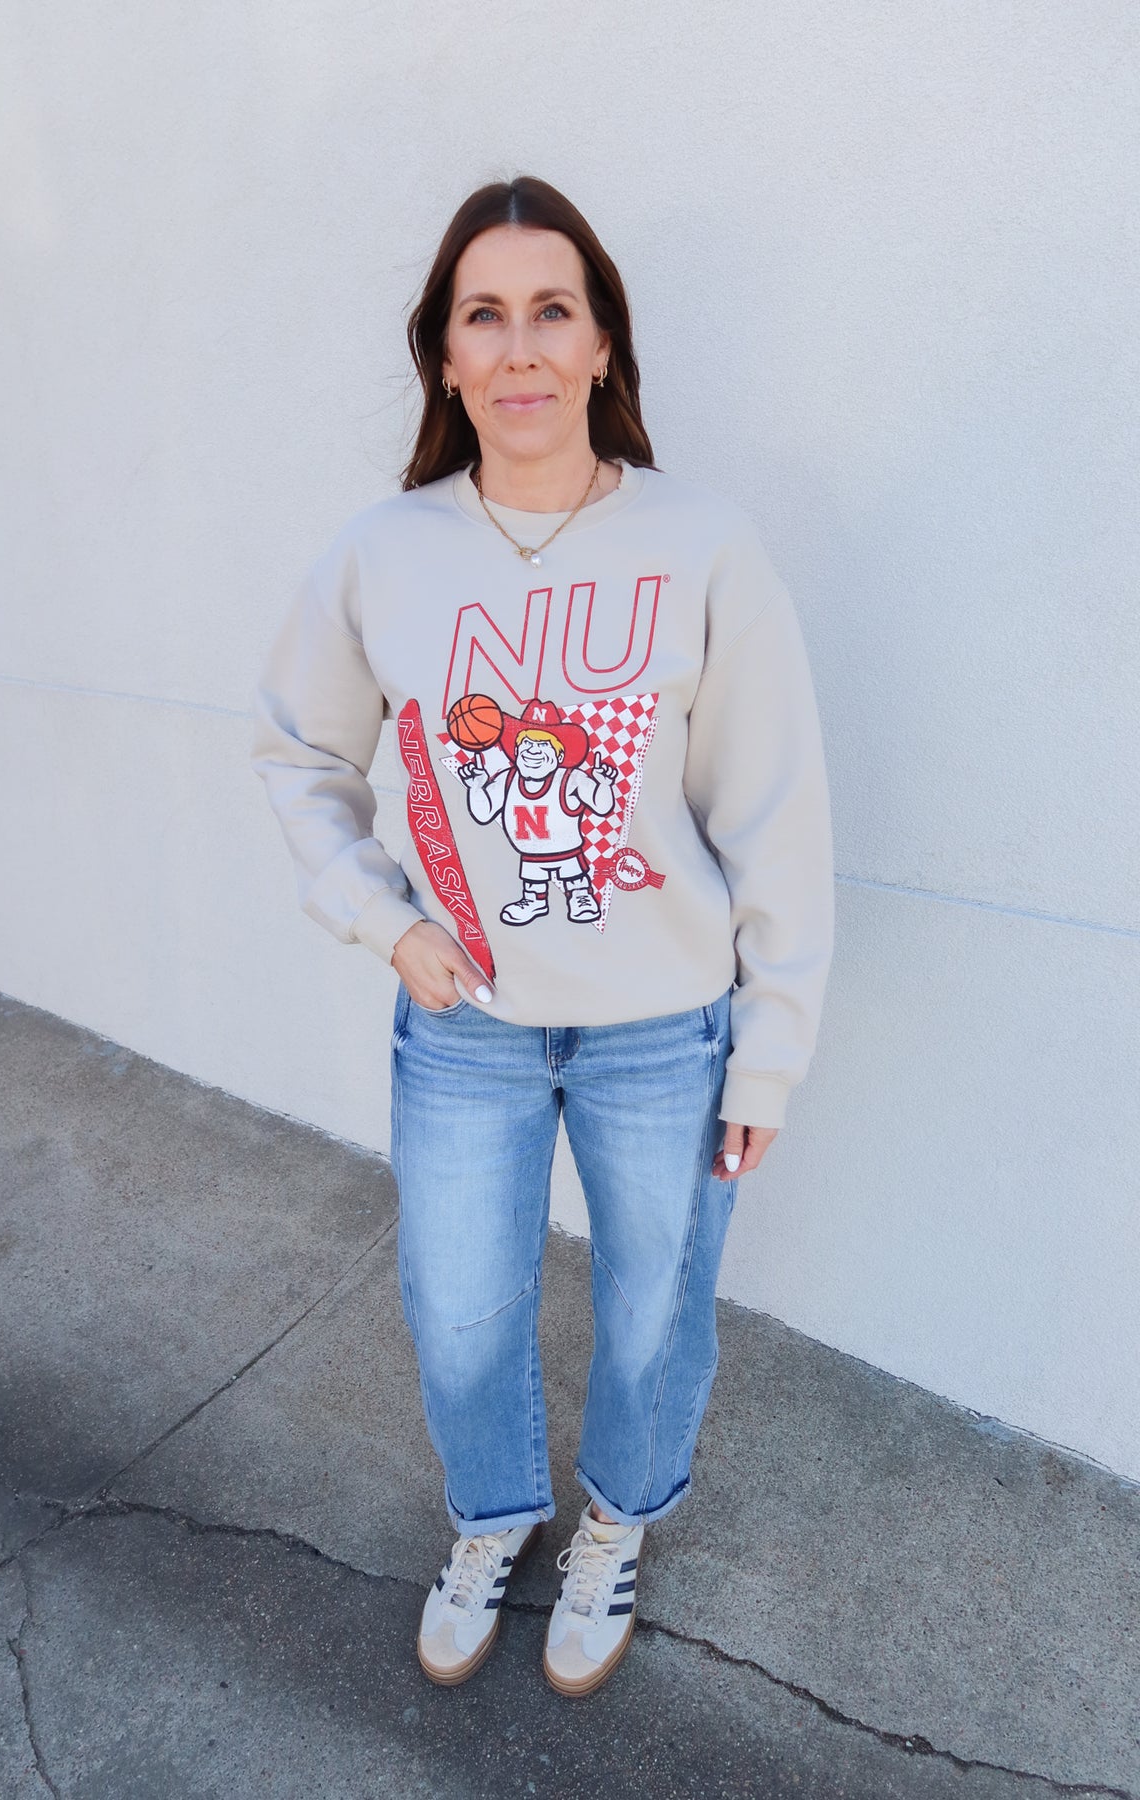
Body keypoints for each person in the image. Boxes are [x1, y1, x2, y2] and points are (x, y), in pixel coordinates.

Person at [251, 174, 835, 1697]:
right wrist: (383, 922)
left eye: (551, 311)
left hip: (665, 1028)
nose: (519, 346)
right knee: (458, 1311)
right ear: (445, 358)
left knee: (652, 1313)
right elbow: (300, 755)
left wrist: (770, 1053)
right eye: (484, 316)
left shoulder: (700, 545)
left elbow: (775, 812)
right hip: (467, 1028)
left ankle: (618, 1521)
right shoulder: (385, 551)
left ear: (600, 345)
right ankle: (495, 1515)